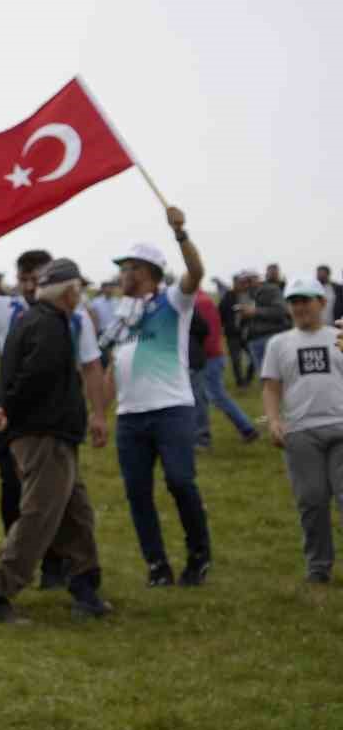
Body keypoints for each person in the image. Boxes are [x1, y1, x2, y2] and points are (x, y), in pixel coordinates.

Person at [0, 235, 107, 589]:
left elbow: (84, 367)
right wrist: (5, 407)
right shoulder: (40, 322)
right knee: (36, 511)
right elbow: (34, 375)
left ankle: (83, 582)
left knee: (74, 511)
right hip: (39, 429)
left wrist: (4, 407)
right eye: (78, 290)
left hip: (47, 428)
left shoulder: (54, 319)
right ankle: (0, 589)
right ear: (68, 292)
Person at [104, 206, 213, 587]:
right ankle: (157, 565)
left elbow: (196, 273)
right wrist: (99, 412)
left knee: (181, 481)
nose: (123, 274)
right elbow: (111, 364)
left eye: (130, 267)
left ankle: (199, 554)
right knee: (137, 494)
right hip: (130, 415)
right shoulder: (122, 312)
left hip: (172, 409)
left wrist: (180, 235)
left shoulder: (173, 301)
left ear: (147, 271)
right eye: (123, 268)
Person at [261, 277, 343, 583]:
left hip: (340, 427)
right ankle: (318, 568)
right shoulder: (279, 343)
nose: (299, 307)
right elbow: (271, 387)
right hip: (300, 433)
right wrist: (273, 420)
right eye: (294, 301)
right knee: (311, 501)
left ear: (322, 303)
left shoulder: (338, 336)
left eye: (305, 300)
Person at [189, 287, 258, 447]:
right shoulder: (203, 300)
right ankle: (245, 428)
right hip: (209, 356)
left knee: (215, 396)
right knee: (210, 397)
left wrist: (202, 356)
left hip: (208, 357)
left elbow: (208, 333)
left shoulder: (200, 302)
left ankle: (246, 428)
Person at [237, 266, 291, 378]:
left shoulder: (270, 289)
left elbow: (281, 311)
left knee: (277, 378)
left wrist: (255, 312)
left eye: (249, 280)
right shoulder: (246, 294)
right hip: (254, 339)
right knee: (265, 378)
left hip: (270, 337)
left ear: (257, 278)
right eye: (243, 282)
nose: (246, 284)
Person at [219, 269, 259, 387]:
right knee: (236, 360)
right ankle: (240, 382)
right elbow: (220, 313)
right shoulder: (228, 296)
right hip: (233, 334)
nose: (242, 284)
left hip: (248, 333)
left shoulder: (252, 295)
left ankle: (248, 378)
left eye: (243, 282)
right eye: (238, 282)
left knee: (254, 357)